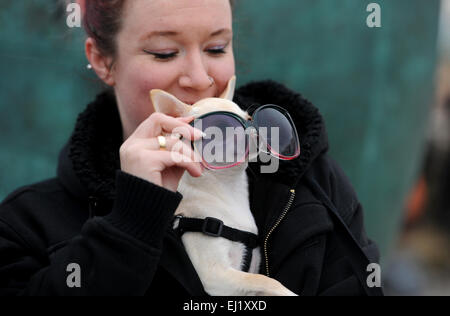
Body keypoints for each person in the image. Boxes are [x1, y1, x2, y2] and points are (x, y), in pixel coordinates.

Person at [0, 0, 382, 296]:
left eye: (217, 48)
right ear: (102, 59)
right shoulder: (29, 225)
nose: (200, 79)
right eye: (165, 52)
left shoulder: (308, 184)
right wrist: (128, 227)